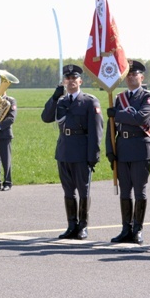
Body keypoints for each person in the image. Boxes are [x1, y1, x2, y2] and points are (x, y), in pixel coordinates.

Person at [41, 65, 103, 240]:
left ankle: (83, 226)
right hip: (64, 151)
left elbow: (96, 131)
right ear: (63, 82)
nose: (70, 82)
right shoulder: (60, 101)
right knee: (68, 191)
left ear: (80, 81)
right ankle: (71, 225)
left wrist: (94, 155)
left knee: (83, 191)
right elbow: (46, 117)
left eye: (74, 79)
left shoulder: (90, 101)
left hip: (82, 152)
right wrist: (54, 98)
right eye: (67, 79)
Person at [105, 60, 150, 245]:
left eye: (134, 74)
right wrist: (110, 150)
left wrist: (117, 114)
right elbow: (111, 128)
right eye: (128, 74)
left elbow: (140, 117)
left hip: (140, 147)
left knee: (139, 190)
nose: (131, 77)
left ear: (142, 77)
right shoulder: (119, 98)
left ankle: (138, 229)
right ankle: (126, 229)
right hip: (123, 147)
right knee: (125, 190)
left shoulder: (148, 96)